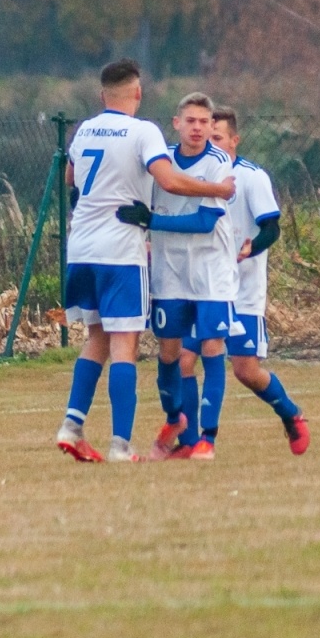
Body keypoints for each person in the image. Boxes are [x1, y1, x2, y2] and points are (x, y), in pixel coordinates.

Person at [56, 62, 234, 464]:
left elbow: (71, 178)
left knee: (96, 339)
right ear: (137, 93)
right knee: (124, 344)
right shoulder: (143, 132)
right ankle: (120, 445)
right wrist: (217, 189)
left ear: (102, 95)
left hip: (80, 248)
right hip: (119, 252)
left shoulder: (85, 129)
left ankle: (72, 425)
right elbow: (169, 180)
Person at [177, 107, 311, 455]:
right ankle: (195, 441)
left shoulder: (252, 178)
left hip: (243, 290)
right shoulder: (197, 175)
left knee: (246, 370)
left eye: (217, 137)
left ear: (234, 141)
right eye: (208, 137)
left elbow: (272, 228)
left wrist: (253, 247)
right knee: (184, 359)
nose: (211, 144)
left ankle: (291, 413)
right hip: (204, 287)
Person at [114, 93, 237, 461]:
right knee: (169, 355)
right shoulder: (162, 162)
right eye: (191, 121)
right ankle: (176, 421)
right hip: (169, 273)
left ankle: (207, 439)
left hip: (210, 272)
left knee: (212, 348)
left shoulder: (218, 162)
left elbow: (204, 222)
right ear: (177, 123)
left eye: (204, 122)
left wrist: (153, 221)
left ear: (212, 126)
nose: (198, 128)